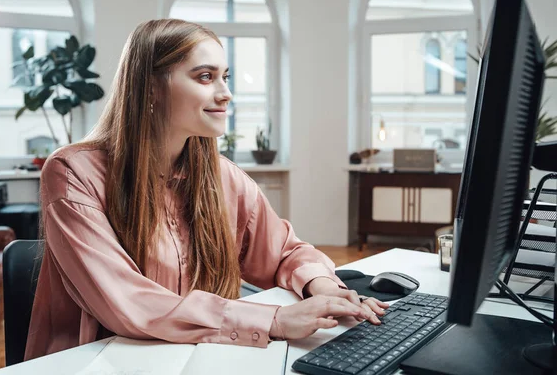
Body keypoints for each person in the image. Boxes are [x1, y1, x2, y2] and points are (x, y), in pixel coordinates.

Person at [25, 19, 388, 360]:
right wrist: (274, 320)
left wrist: (324, 289)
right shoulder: (72, 172)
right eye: (205, 77)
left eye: (225, 77)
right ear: (151, 87)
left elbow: (283, 252)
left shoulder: (223, 176)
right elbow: (127, 301)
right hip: (97, 359)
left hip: (197, 354)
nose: (226, 93)